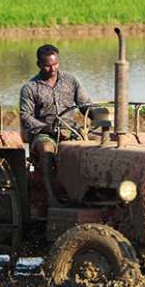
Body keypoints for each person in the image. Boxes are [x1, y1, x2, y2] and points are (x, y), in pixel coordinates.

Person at [19, 44, 91, 213]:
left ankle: (86, 195)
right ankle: (51, 197)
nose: (53, 69)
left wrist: (98, 115)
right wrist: (47, 128)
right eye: (48, 65)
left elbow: (85, 105)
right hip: (44, 134)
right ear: (38, 64)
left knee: (97, 147)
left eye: (55, 64)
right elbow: (25, 116)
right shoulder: (30, 88)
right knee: (46, 150)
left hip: (70, 131)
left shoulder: (71, 81)